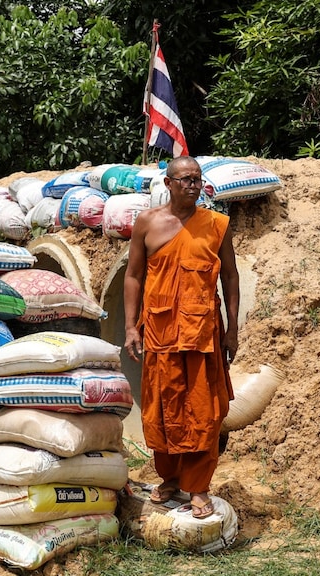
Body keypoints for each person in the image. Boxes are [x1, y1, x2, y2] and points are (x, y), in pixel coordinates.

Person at [123, 156, 240, 519]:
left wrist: (232, 328)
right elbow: (133, 276)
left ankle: (199, 487)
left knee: (204, 412)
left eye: (197, 179)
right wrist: (130, 326)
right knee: (163, 408)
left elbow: (231, 279)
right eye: (185, 179)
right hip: (159, 334)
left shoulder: (217, 225)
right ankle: (170, 478)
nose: (192, 185)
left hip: (203, 336)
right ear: (168, 183)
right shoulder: (148, 222)